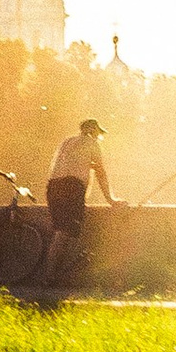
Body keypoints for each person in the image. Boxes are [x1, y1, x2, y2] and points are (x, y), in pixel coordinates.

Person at [40, 119, 119, 292]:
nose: (99, 137)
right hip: (72, 187)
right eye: (99, 133)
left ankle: (51, 275)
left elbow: (64, 165)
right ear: (94, 131)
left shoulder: (67, 142)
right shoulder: (92, 143)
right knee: (67, 232)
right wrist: (111, 200)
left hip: (53, 186)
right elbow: (101, 173)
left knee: (60, 230)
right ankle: (50, 277)